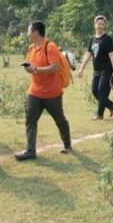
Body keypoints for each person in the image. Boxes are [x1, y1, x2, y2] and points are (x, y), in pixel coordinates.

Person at [15, 21, 72, 160]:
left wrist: (36, 69)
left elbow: (55, 67)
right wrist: (29, 68)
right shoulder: (31, 48)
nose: (27, 33)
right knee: (30, 120)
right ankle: (30, 151)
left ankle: (67, 145)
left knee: (59, 119)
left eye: (29, 31)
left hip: (52, 92)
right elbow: (32, 66)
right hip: (34, 91)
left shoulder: (50, 46)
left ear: (35, 32)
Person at [77, 15, 113, 120]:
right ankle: (110, 105)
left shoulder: (108, 39)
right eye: (99, 24)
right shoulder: (92, 39)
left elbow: (112, 56)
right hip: (96, 70)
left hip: (107, 70)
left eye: (102, 24)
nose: (100, 26)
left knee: (102, 91)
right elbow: (88, 54)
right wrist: (81, 68)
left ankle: (99, 114)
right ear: (95, 25)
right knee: (94, 91)